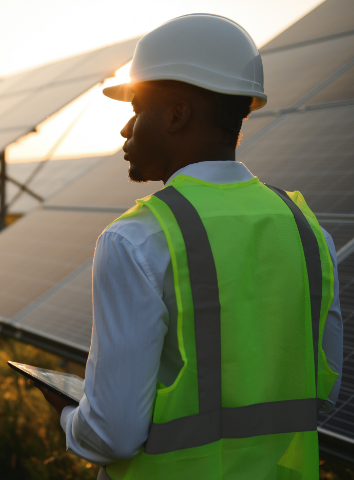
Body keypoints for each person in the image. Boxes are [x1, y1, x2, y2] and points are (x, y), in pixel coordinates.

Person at [30, 13, 343, 479]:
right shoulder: (308, 231)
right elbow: (320, 396)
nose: (125, 129)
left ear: (177, 114)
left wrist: (70, 414)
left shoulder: (135, 240)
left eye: (137, 109)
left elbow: (112, 435)